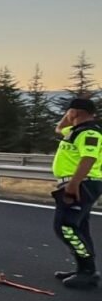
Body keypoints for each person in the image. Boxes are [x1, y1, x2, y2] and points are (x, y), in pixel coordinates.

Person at [50, 98, 102, 289]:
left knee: (66, 227)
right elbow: (58, 128)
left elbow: (88, 158)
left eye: (70, 111)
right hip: (78, 183)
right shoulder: (75, 131)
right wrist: (71, 113)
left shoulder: (89, 132)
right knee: (79, 227)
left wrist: (74, 185)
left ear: (76, 112)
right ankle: (83, 268)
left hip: (82, 184)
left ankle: (88, 271)